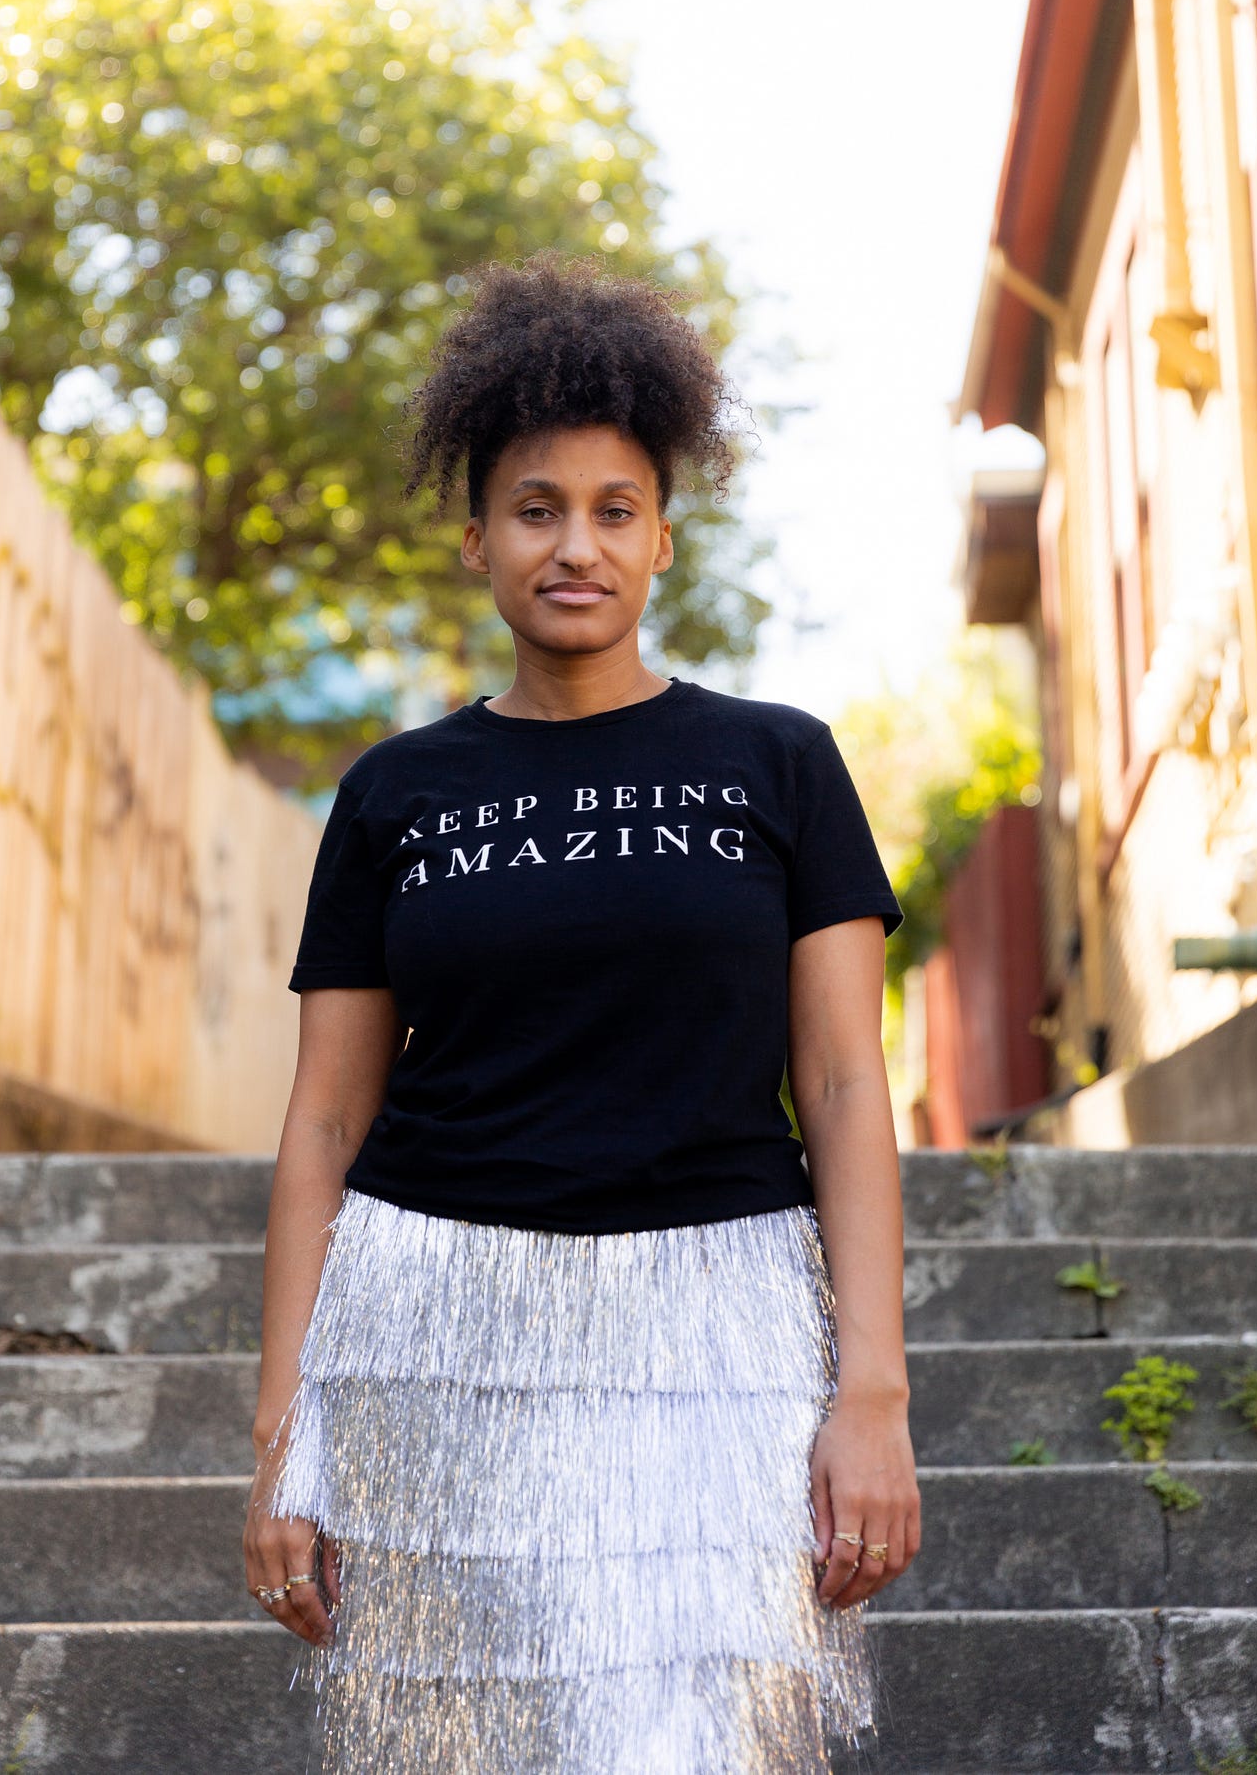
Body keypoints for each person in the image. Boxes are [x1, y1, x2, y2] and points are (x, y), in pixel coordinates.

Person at [242, 247, 920, 1774]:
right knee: (492, 1745)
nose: (576, 546)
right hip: (433, 1318)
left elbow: (846, 1085)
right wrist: (289, 1431)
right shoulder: (395, 793)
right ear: (476, 539)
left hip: (726, 1313)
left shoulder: (780, 763)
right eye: (536, 510)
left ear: (664, 542)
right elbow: (328, 1118)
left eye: (615, 511)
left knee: (700, 1740)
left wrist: (869, 1384)